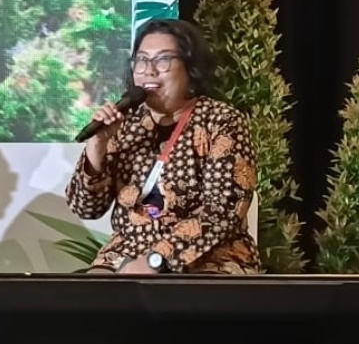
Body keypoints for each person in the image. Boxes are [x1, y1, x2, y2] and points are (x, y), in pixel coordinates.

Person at [66, 18, 260, 274]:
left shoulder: (222, 121)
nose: (149, 70)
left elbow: (222, 211)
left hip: (209, 256)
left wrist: (156, 260)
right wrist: (97, 145)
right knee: (91, 301)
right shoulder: (124, 121)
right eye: (142, 60)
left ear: (189, 69)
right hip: (128, 252)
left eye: (163, 60)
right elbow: (85, 208)